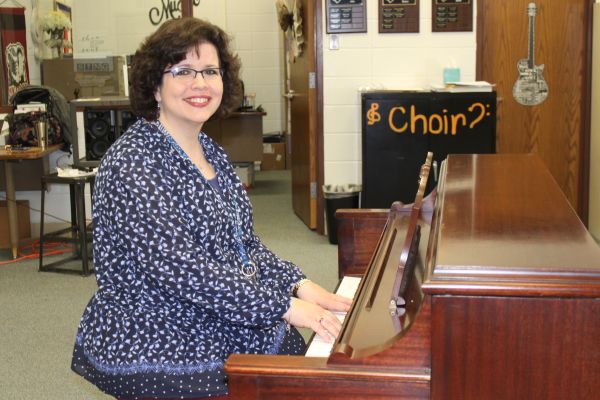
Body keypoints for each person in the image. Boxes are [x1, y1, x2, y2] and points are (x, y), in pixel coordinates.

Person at [71, 17, 351, 400]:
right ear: (155, 84)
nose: (200, 83)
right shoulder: (132, 162)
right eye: (183, 71)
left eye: (210, 71)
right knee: (280, 361)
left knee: (291, 353)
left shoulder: (212, 153)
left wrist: (299, 284)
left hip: (205, 310)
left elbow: (243, 246)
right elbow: (182, 269)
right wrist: (284, 306)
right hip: (157, 331)